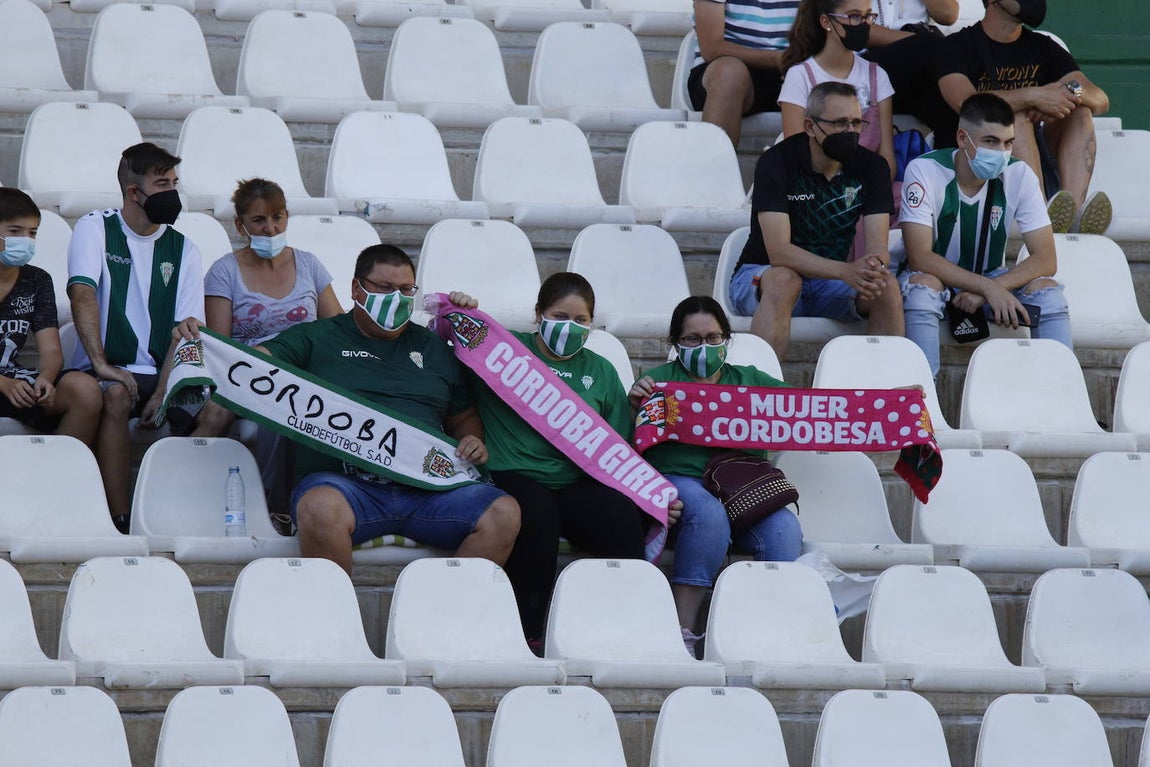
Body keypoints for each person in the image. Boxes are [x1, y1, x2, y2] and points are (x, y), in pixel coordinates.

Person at [253, 244, 519, 574]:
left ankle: (442, 606)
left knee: (503, 514)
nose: (397, 298)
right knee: (319, 509)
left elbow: (463, 417)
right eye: (385, 287)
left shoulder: (434, 348)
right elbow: (254, 364)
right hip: (345, 488)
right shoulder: (317, 337)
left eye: (406, 290)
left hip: (429, 490)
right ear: (356, 289)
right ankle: (337, 607)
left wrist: (473, 440)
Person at [472, 272, 653, 645]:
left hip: (575, 482)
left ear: (591, 323)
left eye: (580, 319)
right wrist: (459, 309)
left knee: (620, 516)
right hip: (514, 474)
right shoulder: (504, 351)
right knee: (537, 516)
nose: (570, 327)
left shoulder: (601, 370)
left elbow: (617, 446)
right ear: (538, 314)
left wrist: (656, 497)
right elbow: (454, 341)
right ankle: (530, 635)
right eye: (559, 316)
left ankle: (624, 629)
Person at [629, 296, 802, 656]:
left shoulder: (751, 381)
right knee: (708, 514)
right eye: (692, 339)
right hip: (680, 481)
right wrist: (635, 406)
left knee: (785, 528)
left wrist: (889, 404)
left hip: (743, 488)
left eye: (713, 337)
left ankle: (766, 635)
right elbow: (628, 445)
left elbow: (816, 410)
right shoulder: (657, 382)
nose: (704, 346)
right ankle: (682, 632)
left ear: (727, 338)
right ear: (675, 343)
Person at [66, 143, 204, 532]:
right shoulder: (95, 228)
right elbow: (82, 293)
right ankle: (119, 520)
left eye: (174, 183)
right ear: (133, 192)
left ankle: (180, 519)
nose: (172, 192)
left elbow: (187, 330)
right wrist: (101, 364)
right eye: (163, 184)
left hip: (162, 373)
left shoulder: (185, 249)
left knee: (215, 407)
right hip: (106, 369)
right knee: (115, 393)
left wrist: (162, 391)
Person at [141, 178, 342, 437]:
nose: (271, 228)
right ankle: (186, 463)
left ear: (287, 217)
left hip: (304, 375)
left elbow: (337, 328)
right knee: (218, 410)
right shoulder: (225, 271)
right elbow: (221, 348)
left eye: (277, 217)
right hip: (246, 377)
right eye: (259, 220)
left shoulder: (309, 265)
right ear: (240, 225)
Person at [729, 81, 903, 361]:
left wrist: (873, 266)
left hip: (830, 282)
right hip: (762, 276)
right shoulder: (777, 162)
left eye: (856, 123)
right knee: (784, 279)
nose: (850, 131)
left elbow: (877, 247)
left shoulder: (873, 167)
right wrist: (845, 271)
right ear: (810, 126)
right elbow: (779, 253)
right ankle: (761, 383)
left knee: (886, 286)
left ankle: (884, 385)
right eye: (840, 123)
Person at [900, 92, 1069, 376]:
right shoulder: (925, 170)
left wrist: (993, 286)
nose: (1001, 152)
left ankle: (1063, 390)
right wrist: (987, 288)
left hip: (992, 275)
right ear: (962, 138)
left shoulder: (1020, 174)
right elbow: (920, 257)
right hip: (937, 277)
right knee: (921, 290)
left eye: (1008, 143)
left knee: (1049, 294)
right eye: (991, 141)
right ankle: (922, 396)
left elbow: (1045, 259)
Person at [935, 0, 1111, 234]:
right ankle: (1040, 217)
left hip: (1034, 160)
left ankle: (1072, 218)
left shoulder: (1042, 46)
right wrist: (1032, 96)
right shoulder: (956, 46)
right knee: (1013, 116)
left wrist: (1067, 92)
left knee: (1080, 113)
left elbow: (1100, 99)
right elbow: (965, 103)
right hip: (977, 163)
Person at [0, 188, 103, 445]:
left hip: (14, 380)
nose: (25, 240)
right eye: (15, 231)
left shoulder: (37, 280)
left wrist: (46, 378)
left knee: (85, 390)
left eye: (32, 233)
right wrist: (3, 384)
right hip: (5, 384)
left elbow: (51, 350)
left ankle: (57, 467)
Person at [780, 0, 898, 179]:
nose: (863, 23)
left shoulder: (877, 75)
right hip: (813, 188)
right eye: (854, 16)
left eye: (868, 16)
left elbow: (887, 158)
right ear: (826, 21)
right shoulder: (799, 76)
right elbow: (794, 154)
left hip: (867, 186)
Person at [689, 0, 799, 146]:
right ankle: (715, 159)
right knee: (728, 75)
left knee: (820, 76)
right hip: (726, 67)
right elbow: (712, 48)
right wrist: (778, 59)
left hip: (795, 65)